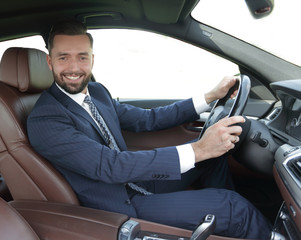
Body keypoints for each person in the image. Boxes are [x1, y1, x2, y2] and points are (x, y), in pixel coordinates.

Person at [27, 19, 272, 239]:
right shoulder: (46, 118)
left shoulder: (97, 92)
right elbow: (109, 165)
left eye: (82, 56)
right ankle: (233, 217)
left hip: (137, 181)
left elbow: (147, 119)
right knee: (234, 207)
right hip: (117, 204)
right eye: (63, 57)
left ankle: (225, 227)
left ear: (92, 59)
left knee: (216, 155)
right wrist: (198, 149)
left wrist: (209, 97)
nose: (74, 67)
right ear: (50, 62)